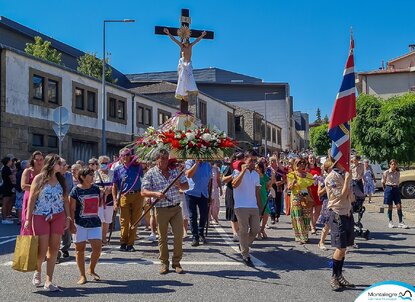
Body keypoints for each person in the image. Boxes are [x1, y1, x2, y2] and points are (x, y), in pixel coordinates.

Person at [24, 154, 70, 291]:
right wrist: (27, 219)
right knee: (42, 249)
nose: (61, 166)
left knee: (54, 248)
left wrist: (68, 217)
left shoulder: (61, 179)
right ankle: (37, 270)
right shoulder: (39, 178)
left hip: (58, 215)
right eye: (58, 164)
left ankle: (49, 281)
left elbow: (65, 199)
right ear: (51, 164)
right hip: (40, 215)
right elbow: (32, 199)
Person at [141, 149, 189, 274]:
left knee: (179, 236)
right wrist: (155, 194)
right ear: (157, 159)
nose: (164, 161)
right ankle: (164, 263)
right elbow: (143, 191)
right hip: (161, 209)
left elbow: (186, 186)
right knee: (162, 237)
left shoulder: (175, 170)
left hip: (176, 207)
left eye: (166, 158)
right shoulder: (151, 173)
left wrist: (179, 185)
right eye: (162, 158)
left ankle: (177, 262)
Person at [325, 155, 356, 291]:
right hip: (338, 214)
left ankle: (339, 275)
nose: (347, 164)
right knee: (340, 248)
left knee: (344, 248)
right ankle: (334, 277)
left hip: (347, 213)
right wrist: (348, 180)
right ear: (337, 163)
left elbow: (350, 197)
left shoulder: (343, 175)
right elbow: (341, 196)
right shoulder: (331, 178)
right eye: (344, 162)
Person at [69, 167, 102, 284]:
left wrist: (106, 193)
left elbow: (100, 204)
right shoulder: (75, 191)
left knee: (97, 249)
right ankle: (82, 275)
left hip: (95, 223)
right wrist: (71, 224)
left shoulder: (96, 189)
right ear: (82, 177)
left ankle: (91, 269)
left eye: (93, 174)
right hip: (80, 224)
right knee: (80, 250)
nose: (93, 177)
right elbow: (71, 209)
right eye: (90, 175)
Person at [232, 150, 262, 267]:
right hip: (240, 205)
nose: (253, 163)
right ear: (245, 160)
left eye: (255, 161)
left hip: (253, 205)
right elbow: (234, 184)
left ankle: (243, 244)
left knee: (255, 229)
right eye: (251, 160)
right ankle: (245, 254)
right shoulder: (236, 171)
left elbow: (257, 191)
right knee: (243, 230)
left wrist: (259, 206)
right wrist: (243, 171)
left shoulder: (255, 174)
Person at [112, 148, 144, 252]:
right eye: (122, 155)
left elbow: (144, 177)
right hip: (124, 196)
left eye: (127, 154)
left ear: (131, 155)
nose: (125, 157)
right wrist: (115, 200)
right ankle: (123, 242)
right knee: (124, 221)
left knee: (135, 221)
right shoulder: (117, 169)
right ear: (120, 157)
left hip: (137, 195)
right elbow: (114, 186)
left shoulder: (137, 167)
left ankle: (130, 243)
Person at [163, 27, 206, 101]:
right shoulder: (181, 46)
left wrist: (202, 35)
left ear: (188, 42)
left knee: (189, 78)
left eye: (186, 42)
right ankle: (183, 94)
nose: (185, 43)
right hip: (183, 64)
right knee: (182, 78)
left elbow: (197, 40)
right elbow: (174, 39)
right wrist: (168, 33)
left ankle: (187, 92)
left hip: (188, 64)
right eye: (184, 42)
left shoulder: (190, 46)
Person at [184, 159, 212, 247]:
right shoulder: (189, 162)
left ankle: (201, 233)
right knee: (193, 215)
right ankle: (195, 236)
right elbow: (189, 174)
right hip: (191, 192)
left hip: (203, 193)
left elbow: (209, 179)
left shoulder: (207, 164)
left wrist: (209, 195)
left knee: (204, 215)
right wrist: (196, 163)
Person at [287, 158, 315, 244]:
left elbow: (309, 188)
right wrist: (293, 182)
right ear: (296, 164)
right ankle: (300, 236)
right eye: (300, 163)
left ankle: (305, 235)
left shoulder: (308, 175)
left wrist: (311, 198)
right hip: (296, 196)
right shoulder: (291, 175)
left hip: (305, 196)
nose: (302, 165)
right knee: (298, 217)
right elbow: (289, 188)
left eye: (304, 163)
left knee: (306, 216)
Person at [20, 151, 44, 233]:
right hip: (29, 197)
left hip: (42, 199)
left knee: (40, 223)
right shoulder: (28, 171)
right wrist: (39, 188)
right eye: (37, 159)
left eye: (41, 159)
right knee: (28, 221)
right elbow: (23, 186)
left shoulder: (45, 172)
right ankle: (27, 244)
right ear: (33, 160)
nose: (39, 162)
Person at [382, 159, 408, 229]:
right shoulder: (386, 172)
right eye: (392, 164)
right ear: (390, 165)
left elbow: (398, 181)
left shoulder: (398, 172)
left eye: (395, 164)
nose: (394, 166)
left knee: (399, 205)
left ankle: (401, 222)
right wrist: (385, 190)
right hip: (388, 188)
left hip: (396, 189)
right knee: (390, 206)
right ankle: (390, 221)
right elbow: (383, 182)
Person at [95, 156, 114, 244]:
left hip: (110, 199)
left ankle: (103, 237)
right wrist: (100, 189)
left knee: (107, 219)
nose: (104, 165)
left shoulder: (112, 173)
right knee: (99, 219)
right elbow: (92, 185)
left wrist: (110, 189)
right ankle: (98, 238)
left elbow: (115, 185)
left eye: (105, 163)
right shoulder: (95, 174)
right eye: (102, 163)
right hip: (99, 200)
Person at [222, 154, 240, 242]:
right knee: (233, 212)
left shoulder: (245, 168)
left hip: (241, 193)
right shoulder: (230, 167)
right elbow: (223, 179)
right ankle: (235, 233)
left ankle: (239, 231)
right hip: (231, 191)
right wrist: (232, 175)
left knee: (240, 212)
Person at [317, 160, 332, 251]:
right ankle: (321, 242)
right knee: (328, 224)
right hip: (328, 202)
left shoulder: (337, 177)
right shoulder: (322, 179)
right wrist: (327, 187)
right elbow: (319, 193)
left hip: (336, 201)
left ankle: (341, 245)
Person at [307, 154, 322, 234]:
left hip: (317, 191)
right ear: (308, 159)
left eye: (313, 158)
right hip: (309, 191)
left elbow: (322, 179)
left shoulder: (319, 169)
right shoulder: (306, 170)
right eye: (310, 158)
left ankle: (313, 223)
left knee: (318, 210)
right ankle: (313, 226)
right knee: (310, 209)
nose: (312, 159)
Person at [256, 161, 271, 239]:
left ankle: (262, 229)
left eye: (257, 168)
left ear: (261, 168)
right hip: (256, 197)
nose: (256, 169)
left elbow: (268, 187)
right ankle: (258, 232)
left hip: (264, 196)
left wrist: (273, 179)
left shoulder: (265, 176)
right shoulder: (254, 176)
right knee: (258, 215)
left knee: (266, 213)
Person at [1, 156, 15, 224]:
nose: (11, 162)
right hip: (7, 187)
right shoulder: (6, 168)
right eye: (10, 161)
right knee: (5, 202)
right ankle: (4, 218)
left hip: (8, 187)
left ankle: (6, 216)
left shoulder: (6, 168)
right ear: (8, 161)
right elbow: (12, 178)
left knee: (8, 202)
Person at [15, 160, 28, 225]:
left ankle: (20, 219)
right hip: (21, 191)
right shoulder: (23, 172)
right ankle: (20, 220)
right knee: (20, 206)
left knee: (19, 205)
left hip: (19, 190)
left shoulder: (20, 172)